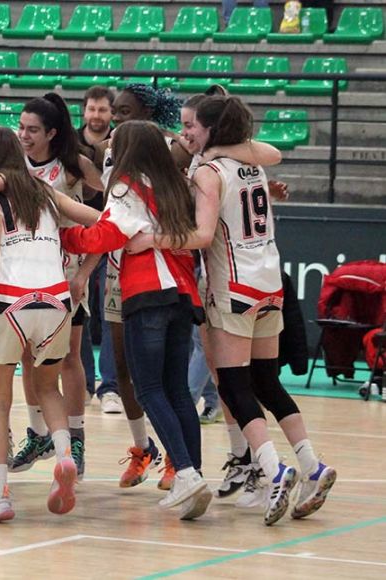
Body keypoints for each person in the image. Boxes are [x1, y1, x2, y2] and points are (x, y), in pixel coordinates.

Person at [166, 95, 336, 525]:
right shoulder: (253, 165)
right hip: (269, 284)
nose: (189, 133)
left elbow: (204, 236)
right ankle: (312, 465)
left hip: (234, 286)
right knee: (266, 381)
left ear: (211, 130)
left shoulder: (209, 171)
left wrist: (157, 238)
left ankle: (274, 469)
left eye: (194, 127)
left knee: (235, 387)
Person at [63, 120, 213, 521]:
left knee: (147, 390)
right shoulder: (174, 183)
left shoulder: (127, 184)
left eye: (117, 142)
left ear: (128, 148)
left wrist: (62, 236)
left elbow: (106, 236)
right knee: (178, 390)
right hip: (184, 294)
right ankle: (192, 473)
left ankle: (183, 472)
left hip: (148, 293)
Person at [0, 128, 101, 522]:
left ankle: (0, 496)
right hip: (56, 299)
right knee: (48, 388)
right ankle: (63, 455)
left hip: (10, 296)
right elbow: (97, 220)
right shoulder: (45, 191)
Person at [95, 83, 189, 490]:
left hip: (163, 266)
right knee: (121, 363)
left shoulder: (167, 149)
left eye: (125, 112)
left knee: (166, 377)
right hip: (120, 260)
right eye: (114, 112)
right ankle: (142, 448)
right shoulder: (109, 148)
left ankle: (177, 458)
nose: (116, 119)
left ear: (146, 115)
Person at [11, 92, 103, 481]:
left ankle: (76, 436)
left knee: (68, 359)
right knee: (26, 360)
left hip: (65, 273)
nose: (24, 135)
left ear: (51, 132)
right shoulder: (13, 161)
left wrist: (84, 274)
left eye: (32, 130)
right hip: (23, 276)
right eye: (21, 128)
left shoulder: (74, 166)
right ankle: (38, 433)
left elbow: (105, 222)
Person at [76, 85, 123, 414]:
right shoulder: (70, 144)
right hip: (78, 237)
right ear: (84, 111)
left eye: (102, 110)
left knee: (110, 314)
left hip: (113, 238)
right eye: (91, 109)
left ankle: (110, 388)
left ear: (112, 113)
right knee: (77, 311)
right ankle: (83, 384)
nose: (96, 116)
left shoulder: (124, 142)